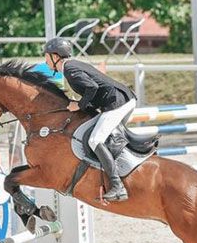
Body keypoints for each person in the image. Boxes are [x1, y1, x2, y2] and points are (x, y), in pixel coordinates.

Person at [43, 37, 136, 202]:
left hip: (117, 103)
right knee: (104, 139)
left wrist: (79, 105)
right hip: (121, 99)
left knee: (95, 140)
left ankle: (117, 186)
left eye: (47, 56)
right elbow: (93, 88)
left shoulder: (69, 69)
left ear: (55, 56)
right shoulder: (72, 65)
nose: (45, 61)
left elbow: (92, 87)